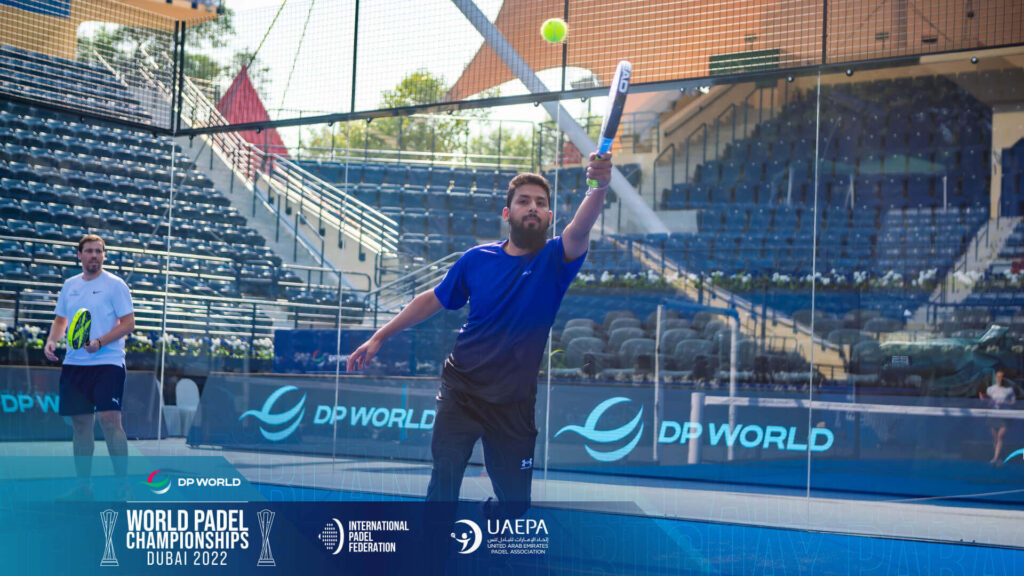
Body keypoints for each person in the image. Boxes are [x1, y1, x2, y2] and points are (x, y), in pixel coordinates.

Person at [347, 153, 612, 529]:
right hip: (462, 390)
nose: (532, 207)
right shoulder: (476, 259)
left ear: (549, 216)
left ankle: (494, 511)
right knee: (444, 479)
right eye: (523, 201)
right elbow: (433, 299)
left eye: (541, 203)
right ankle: (432, 553)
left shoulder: (557, 258)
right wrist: (379, 335)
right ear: (507, 213)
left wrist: (598, 186)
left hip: (513, 401)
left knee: (516, 505)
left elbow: (581, 228)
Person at [44, 234, 136, 499]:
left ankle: (123, 485)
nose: (94, 255)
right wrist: (52, 340)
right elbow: (61, 320)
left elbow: (128, 323)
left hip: (108, 362)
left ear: (104, 255)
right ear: (79, 255)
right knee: (81, 426)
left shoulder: (115, 285)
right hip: (75, 364)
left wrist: (100, 342)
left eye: (98, 251)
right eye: (89, 251)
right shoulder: (70, 285)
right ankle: (84, 486)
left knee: (110, 421)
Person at [980, 367, 1016, 466]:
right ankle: (998, 456)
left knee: (1000, 436)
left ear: (1004, 378)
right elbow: (987, 402)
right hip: (993, 415)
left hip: (1004, 415)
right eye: (998, 377)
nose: (999, 378)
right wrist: (985, 400)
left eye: (1001, 377)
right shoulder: (990, 389)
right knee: (995, 438)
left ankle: (995, 458)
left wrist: (1004, 403)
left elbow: (1013, 402)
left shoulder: (1009, 390)